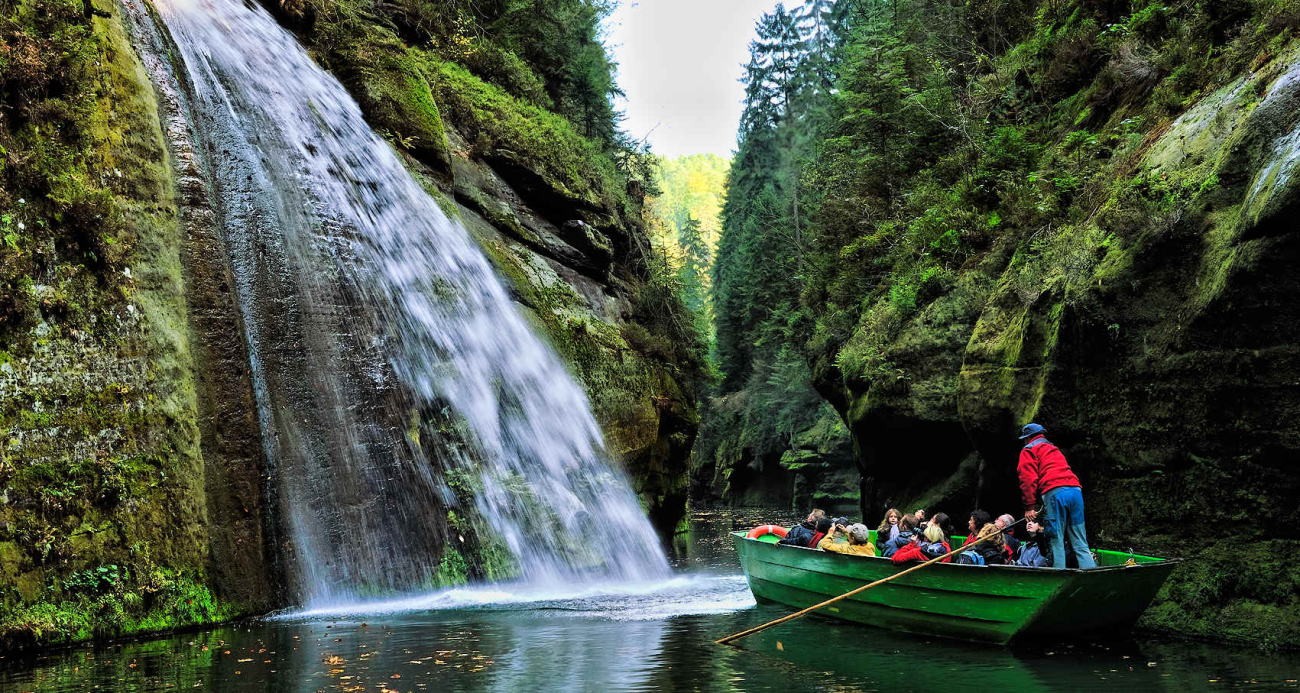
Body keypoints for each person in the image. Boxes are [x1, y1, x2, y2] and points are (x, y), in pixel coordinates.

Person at [1016, 423, 1096, 569]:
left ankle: (1057, 581)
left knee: (1055, 541)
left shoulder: (1028, 450)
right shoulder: (1054, 449)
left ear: (1027, 439)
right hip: (1076, 491)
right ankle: (1093, 580)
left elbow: (1028, 479)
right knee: (1080, 543)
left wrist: (1029, 507)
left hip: (1055, 492)